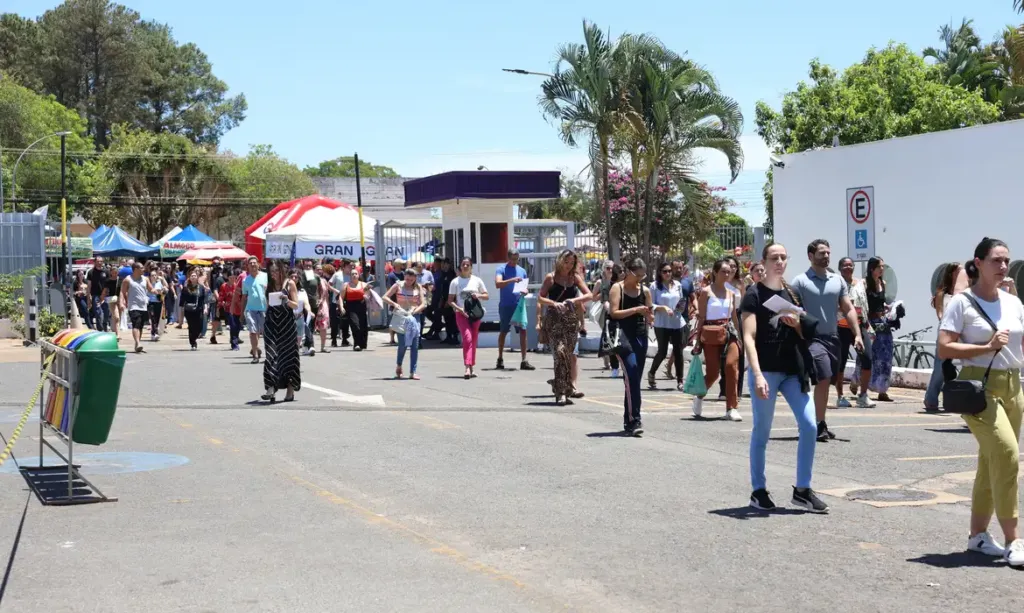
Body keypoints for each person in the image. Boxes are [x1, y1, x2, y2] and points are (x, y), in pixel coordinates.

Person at [937, 237, 1024, 566]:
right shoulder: (962, 302)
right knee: (1007, 454)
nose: (1003, 266)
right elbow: (944, 347)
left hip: (1013, 385)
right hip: (979, 386)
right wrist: (987, 346)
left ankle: (977, 536)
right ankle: (1014, 540)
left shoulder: (1013, 302)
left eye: (1006, 260)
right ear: (979, 263)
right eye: (996, 260)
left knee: (991, 461)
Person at [741, 243, 828, 513]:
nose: (779, 262)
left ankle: (802, 490)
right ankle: (758, 490)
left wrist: (796, 324)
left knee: (810, 425)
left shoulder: (791, 293)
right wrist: (757, 375)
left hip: (792, 370)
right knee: (762, 431)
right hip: (766, 370)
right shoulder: (753, 294)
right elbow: (749, 337)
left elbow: (804, 332)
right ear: (764, 262)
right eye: (774, 258)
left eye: (783, 257)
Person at [791, 239, 864, 442]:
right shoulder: (800, 281)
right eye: (821, 253)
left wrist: (857, 334)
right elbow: (792, 311)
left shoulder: (837, 280)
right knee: (823, 377)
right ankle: (813, 424)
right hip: (811, 339)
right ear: (810, 256)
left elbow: (848, 308)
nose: (826, 256)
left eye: (828, 253)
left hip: (833, 338)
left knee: (827, 381)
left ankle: (819, 422)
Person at [692, 259, 743, 421]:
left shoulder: (731, 293)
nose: (727, 274)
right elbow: (701, 317)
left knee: (731, 367)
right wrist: (697, 340)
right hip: (711, 333)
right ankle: (699, 395)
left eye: (729, 272)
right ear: (715, 272)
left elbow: (734, 317)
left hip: (729, 332)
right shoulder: (706, 292)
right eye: (723, 271)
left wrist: (740, 337)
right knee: (713, 373)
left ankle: (732, 408)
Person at [538, 250, 592, 403]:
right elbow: (540, 298)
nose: (568, 265)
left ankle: (563, 386)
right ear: (559, 260)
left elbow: (589, 295)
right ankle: (561, 391)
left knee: (568, 355)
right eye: (566, 262)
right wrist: (553, 303)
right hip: (554, 320)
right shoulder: (551, 277)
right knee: (560, 353)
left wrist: (574, 301)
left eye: (571, 263)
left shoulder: (574, 278)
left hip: (570, 320)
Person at [608, 258, 653, 435]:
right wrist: (635, 310)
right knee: (632, 374)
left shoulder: (645, 291)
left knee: (634, 380)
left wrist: (651, 315)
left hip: (640, 336)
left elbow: (649, 313)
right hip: (623, 337)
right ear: (628, 272)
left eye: (643, 276)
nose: (640, 279)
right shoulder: (617, 288)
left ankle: (629, 420)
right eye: (637, 275)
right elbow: (614, 313)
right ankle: (635, 419)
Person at [834, 257, 876, 409]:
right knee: (840, 363)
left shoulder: (860, 283)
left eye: (850, 265)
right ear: (840, 268)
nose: (848, 267)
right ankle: (840, 396)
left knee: (867, 358)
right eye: (845, 265)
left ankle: (863, 395)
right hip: (841, 327)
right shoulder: (836, 284)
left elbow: (864, 302)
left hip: (859, 326)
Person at [925, 262, 963, 411]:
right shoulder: (942, 293)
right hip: (947, 331)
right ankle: (931, 398)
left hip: (962, 332)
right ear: (952, 273)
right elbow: (940, 314)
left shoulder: (966, 293)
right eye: (959, 271)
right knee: (940, 367)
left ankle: (958, 399)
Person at [262, 261, 301, 403]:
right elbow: (268, 306)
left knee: (289, 357)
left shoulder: (290, 284)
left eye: (276, 271)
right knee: (271, 355)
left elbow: (295, 305)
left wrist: (286, 300)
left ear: (282, 271)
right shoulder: (269, 285)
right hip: (271, 324)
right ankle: (270, 388)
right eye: (271, 272)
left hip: (287, 325)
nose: (273, 274)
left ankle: (290, 389)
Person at [648, 262, 688, 391]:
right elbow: (650, 305)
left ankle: (680, 380)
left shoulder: (677, 285)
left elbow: (681, 301)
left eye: (669, 271)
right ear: (660, 273)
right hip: (662, 323)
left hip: (677, 322)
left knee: (678, 351)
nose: (668, 273)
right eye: (664, 271)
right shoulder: (654, 286)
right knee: (662, 351)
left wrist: (680, 308)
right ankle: (652, 372)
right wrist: (663, 308)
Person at [446, 257, 489, 377]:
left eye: (467, 265)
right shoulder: (455, 282)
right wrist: (459, 309)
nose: (465, 267)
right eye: (463, 264)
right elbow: (450, 300)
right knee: (467, 338)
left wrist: (478, 295)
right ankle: (467, 367)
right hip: (461, 314)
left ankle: (471, 366)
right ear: (460, 266)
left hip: (475, 314)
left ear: (471, 267)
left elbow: (486, 296)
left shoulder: (477, 280)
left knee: (473, 340)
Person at [495, 248, 535, 371]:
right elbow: (498, 284)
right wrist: (511, 280)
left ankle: (524, 360)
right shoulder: (501, 269)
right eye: (512, 259)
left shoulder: (522, 271)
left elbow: (524, 287)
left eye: (516, 259)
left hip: (519, 305)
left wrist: (525, 291)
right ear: (508, 258)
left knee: (523, 331)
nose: (514, 261)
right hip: (506, 305)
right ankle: (500, 358)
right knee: (504, 331)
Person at [383, 268, 427, 379]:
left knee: (415, 345)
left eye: (411, 280)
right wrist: (394, 304)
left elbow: (424, 304)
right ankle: (399, 365)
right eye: (407, 279)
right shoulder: (398, 285)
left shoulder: (418, 287)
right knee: (402, 344)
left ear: (415, 279)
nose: (409, 282)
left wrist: (415, 311)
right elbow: (385, 297)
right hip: (402, 316)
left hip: (414, 317)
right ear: (404, 277)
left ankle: (413, 372)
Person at [865, 257, 895, 401]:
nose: (882, 269)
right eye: (879, 267)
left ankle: (882, 390)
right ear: (872, 268)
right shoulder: (865, 284)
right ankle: (858, 382)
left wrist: (890, 308)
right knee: (870, 356)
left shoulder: (883, 283)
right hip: (870, 323)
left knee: (886, 356)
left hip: (883, 323)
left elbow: (881, 303)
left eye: (883, 266)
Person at [720, 256, 747, 401]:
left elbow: (744, 303)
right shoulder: (720, 282)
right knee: (724, 356)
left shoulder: (740, 283)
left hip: (737, 317)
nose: (732, 269)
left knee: (739, 355)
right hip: (723, 318)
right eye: (730, 266)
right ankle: (724, 389)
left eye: (735, 266)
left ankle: (738, 391)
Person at [593, 261, 620, 376]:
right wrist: (604, 294)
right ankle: (607, 360)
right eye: (608, 268)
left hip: (617, 310)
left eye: (612, 268)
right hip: (605, 311)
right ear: (604, 269)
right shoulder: (600, 282)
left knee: (612, 336)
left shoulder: (618, 281)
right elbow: (593, 297)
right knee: (608, 335)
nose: (610, 270)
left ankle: (610, 359)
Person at [241, 257, 268, 364]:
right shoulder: (245, 280)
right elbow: (244, 297)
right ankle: (255, 355)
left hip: (264, 309)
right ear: (247, 266)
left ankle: (268, 355)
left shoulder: (265, 276)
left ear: (258, 264)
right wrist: (242, 313)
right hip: (250, 309)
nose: (252, 265)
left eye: (254, 263)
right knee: (253, 332)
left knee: (266, 333)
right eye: (250, 263)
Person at [120, 262, 149, 353]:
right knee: (136, 324)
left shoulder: (145, 279)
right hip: (133, 306)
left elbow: (151, 289)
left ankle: (137, 345)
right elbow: (122, 292)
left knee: (140, 326)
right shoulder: (127, 280)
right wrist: (121, 303)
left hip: (143, 306)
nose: (143, 269)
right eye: (142, 268)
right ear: (136, 269)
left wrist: (158, 291)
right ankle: (138, 343)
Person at [339, 270, 372, 351]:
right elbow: (341, 297)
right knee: (355, 325)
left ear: (358, 275)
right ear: (350, 276)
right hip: (351, 307)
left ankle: (362, 344)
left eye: (356, 274)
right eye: (352, 274)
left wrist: (367, 295)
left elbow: (368, 295)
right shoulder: (346, 285)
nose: (354, 275)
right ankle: (356, 344)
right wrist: (341, 307)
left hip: (361, 306)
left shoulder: (364, 284)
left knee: (363, 326)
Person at [178, 269, 207, 350]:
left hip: (199, 309)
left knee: (199, 326)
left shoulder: (201, 287)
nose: (193, 277)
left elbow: (204, 299)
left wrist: (205, 307)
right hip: (189, 310)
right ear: (189, 278)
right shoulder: (186, 288)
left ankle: (195, 337)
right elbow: (182, 299)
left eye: (195, 276)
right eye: (192, 276)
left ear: (197, 277)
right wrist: (182, 309)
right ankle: (193, 343)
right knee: (191, 326)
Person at [326, 262, 350, 347]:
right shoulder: (337, 275)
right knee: (334, 322)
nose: (350, 268)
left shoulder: (351, 275)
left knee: (345, 321)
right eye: (348, 267)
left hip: (347, 301)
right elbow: (328, 285)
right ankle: (334, 340)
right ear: (344, 267)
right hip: (335, 301)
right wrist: (335, 290)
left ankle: (344, 339)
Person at [86, 257, 109, 331]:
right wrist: (88, 297)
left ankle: (105, 327)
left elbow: (108, 284)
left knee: (106, 312)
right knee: (98, 312)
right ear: (95, 262)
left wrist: (104, 294)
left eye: (101, 261)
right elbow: (89, 285)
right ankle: (100, 329)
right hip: (95, 295)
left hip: (105, 295)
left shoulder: (106, 271)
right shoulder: (91, 272)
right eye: (98, 261)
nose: (100, 263)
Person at [386, 258, 406, 344]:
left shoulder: (403, 274)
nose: (403, 265)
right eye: (402, 264)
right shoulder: (391, 276)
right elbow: (389, 288)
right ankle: (392, 338)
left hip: (403, 299)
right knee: (393, 319)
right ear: (397, 265)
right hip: (394, 300)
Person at [220, 268, 241, 351]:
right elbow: (221, 297)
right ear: (227, 278)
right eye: (230, 277)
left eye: (234, 277)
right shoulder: (224, 286)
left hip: (238, 309)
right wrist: (223, 303)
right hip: (229, 309)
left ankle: (235, 338)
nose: (232, 279)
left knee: (238, 326)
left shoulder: (237, 286)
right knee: (233, 325)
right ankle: (234, 344)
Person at [146, 263, 166, 343]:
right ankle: (155, 333)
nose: (154, 277)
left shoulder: (159, 283)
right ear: (150, 276)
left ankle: (153, 333)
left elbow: (165, 289)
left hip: (158, 302)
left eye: (155, 275)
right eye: (152, 275)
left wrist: (163, 290)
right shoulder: (148, 284)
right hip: (151, 303)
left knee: (157, 319)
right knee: (153, 318)